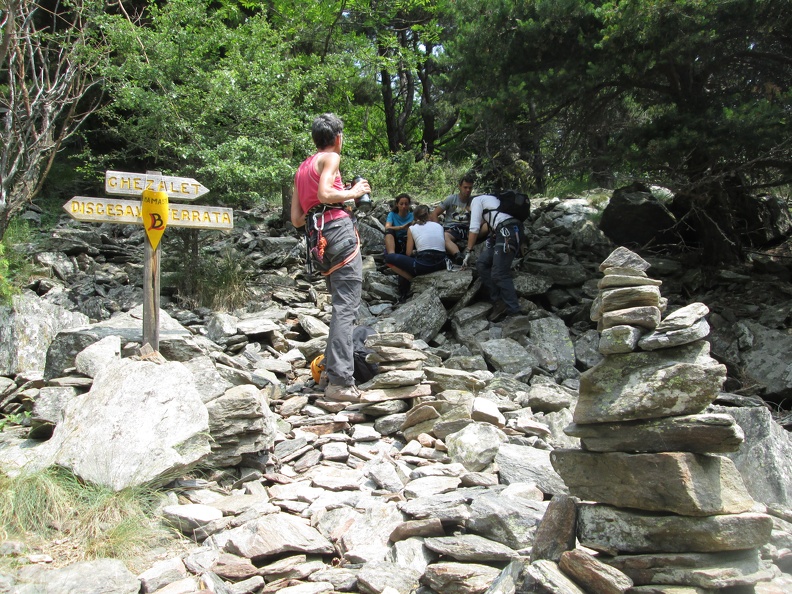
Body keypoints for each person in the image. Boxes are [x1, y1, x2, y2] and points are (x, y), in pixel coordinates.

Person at [290, 113, 371, 402]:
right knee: (346, 308)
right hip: (337, 232)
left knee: (340, 307)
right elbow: (326, 192)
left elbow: (297, 219)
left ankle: (330, 373)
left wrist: (335, 196)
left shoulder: (301, 169)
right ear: (337, 137)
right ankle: (340, 382)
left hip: (316, 240)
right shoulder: (331, 158)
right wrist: (354, 191)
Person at [463, 194, 524, 322]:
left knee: (499, 273)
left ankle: (515, 312)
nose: (470, 214)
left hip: (507, 232)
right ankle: (498, 301)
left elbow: (474, 228)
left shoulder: (476, 201)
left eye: (469, 213)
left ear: (469, 206)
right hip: (508, 231)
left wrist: (468, 252)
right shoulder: (491, 200)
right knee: (482, 263)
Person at [385, 204, 448, 300]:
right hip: (442, 263)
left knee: (389, 258)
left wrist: (415, 251)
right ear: (429, 214)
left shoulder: (412, 228)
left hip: (423, 265)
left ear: (415, 217)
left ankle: (413, 280)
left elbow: (408, 253)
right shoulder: (439, 226)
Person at [431, 173, 475, 265]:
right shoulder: (451, 199)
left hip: (469, 229)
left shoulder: (474, 201)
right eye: (465, 187)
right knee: (444, 236)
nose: (468, 190)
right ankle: (458, 255)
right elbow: (435, 213)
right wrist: (438, 228)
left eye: (470, 188)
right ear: (459, 186)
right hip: (452, 228)